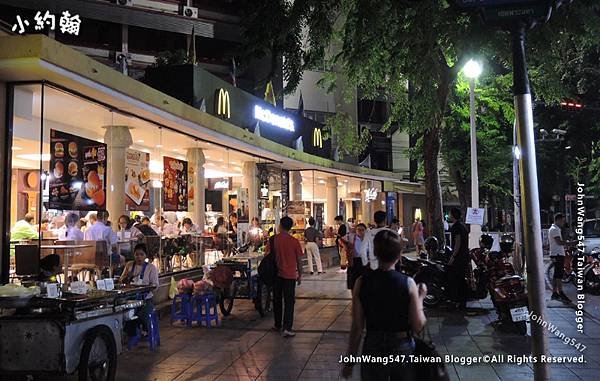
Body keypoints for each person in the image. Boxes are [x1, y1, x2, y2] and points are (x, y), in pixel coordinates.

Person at [342, 230, 427, 380]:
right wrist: (420, 299)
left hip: (373, 344)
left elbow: (357, 326)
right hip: (402, 345)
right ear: (399, 254)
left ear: (375, 252)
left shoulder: (362, 282)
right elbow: (418, 325)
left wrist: (350, 361)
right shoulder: (407, 283)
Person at [267, 216, 303, 337]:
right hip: (290, 275)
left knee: (277, 300)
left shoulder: (273, 240)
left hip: (276, 275)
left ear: (280, 226)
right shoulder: (294, 241)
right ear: (290, 227)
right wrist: (300, 274)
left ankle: (277, 325)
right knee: (289, 301)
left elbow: (267, 256)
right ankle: (287, 327)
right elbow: (299, 259)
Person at [118, 243, 159, 337]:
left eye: (141, 254)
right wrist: (127, 278)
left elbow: (155, 285)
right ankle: (131, 334)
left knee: (142, 315)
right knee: (125, 315)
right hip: (130, 298)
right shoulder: (129, 265)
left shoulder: (151, 268)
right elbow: (121, 281)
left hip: (146, 299)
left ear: (145, 256)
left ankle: (145, 330)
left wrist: (147, 288)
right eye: (137, 254)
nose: (139, 257)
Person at [448, 208, 469, 310]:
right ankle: (462, 301)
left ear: (453, 215)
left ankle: (457, 301)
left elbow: (457, 242)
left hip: (459, 258)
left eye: (450, 213)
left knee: (456, 279)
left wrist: (453, 256)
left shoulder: (456, 227)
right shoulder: (463, 226)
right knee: (461, 280)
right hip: (464, 256)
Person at [549, 213, 571, 302]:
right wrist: (571, 243)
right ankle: (560, 292)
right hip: (557, 254)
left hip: (556, 253)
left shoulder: (555, 229)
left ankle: (554, 293)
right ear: (557, 220)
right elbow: (559, 242)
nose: (563, 222)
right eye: (562, 220)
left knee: (556, 274)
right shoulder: (554, 229)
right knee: (559, 274)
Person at [342, 223, 367, 290]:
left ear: (365, 231)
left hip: (365, 262)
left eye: (362, 230)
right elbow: (342, 239)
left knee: (364, 283)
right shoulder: (352, 237)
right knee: (353, 281)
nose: (360, 232)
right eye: (358, 230)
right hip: (354, 261)